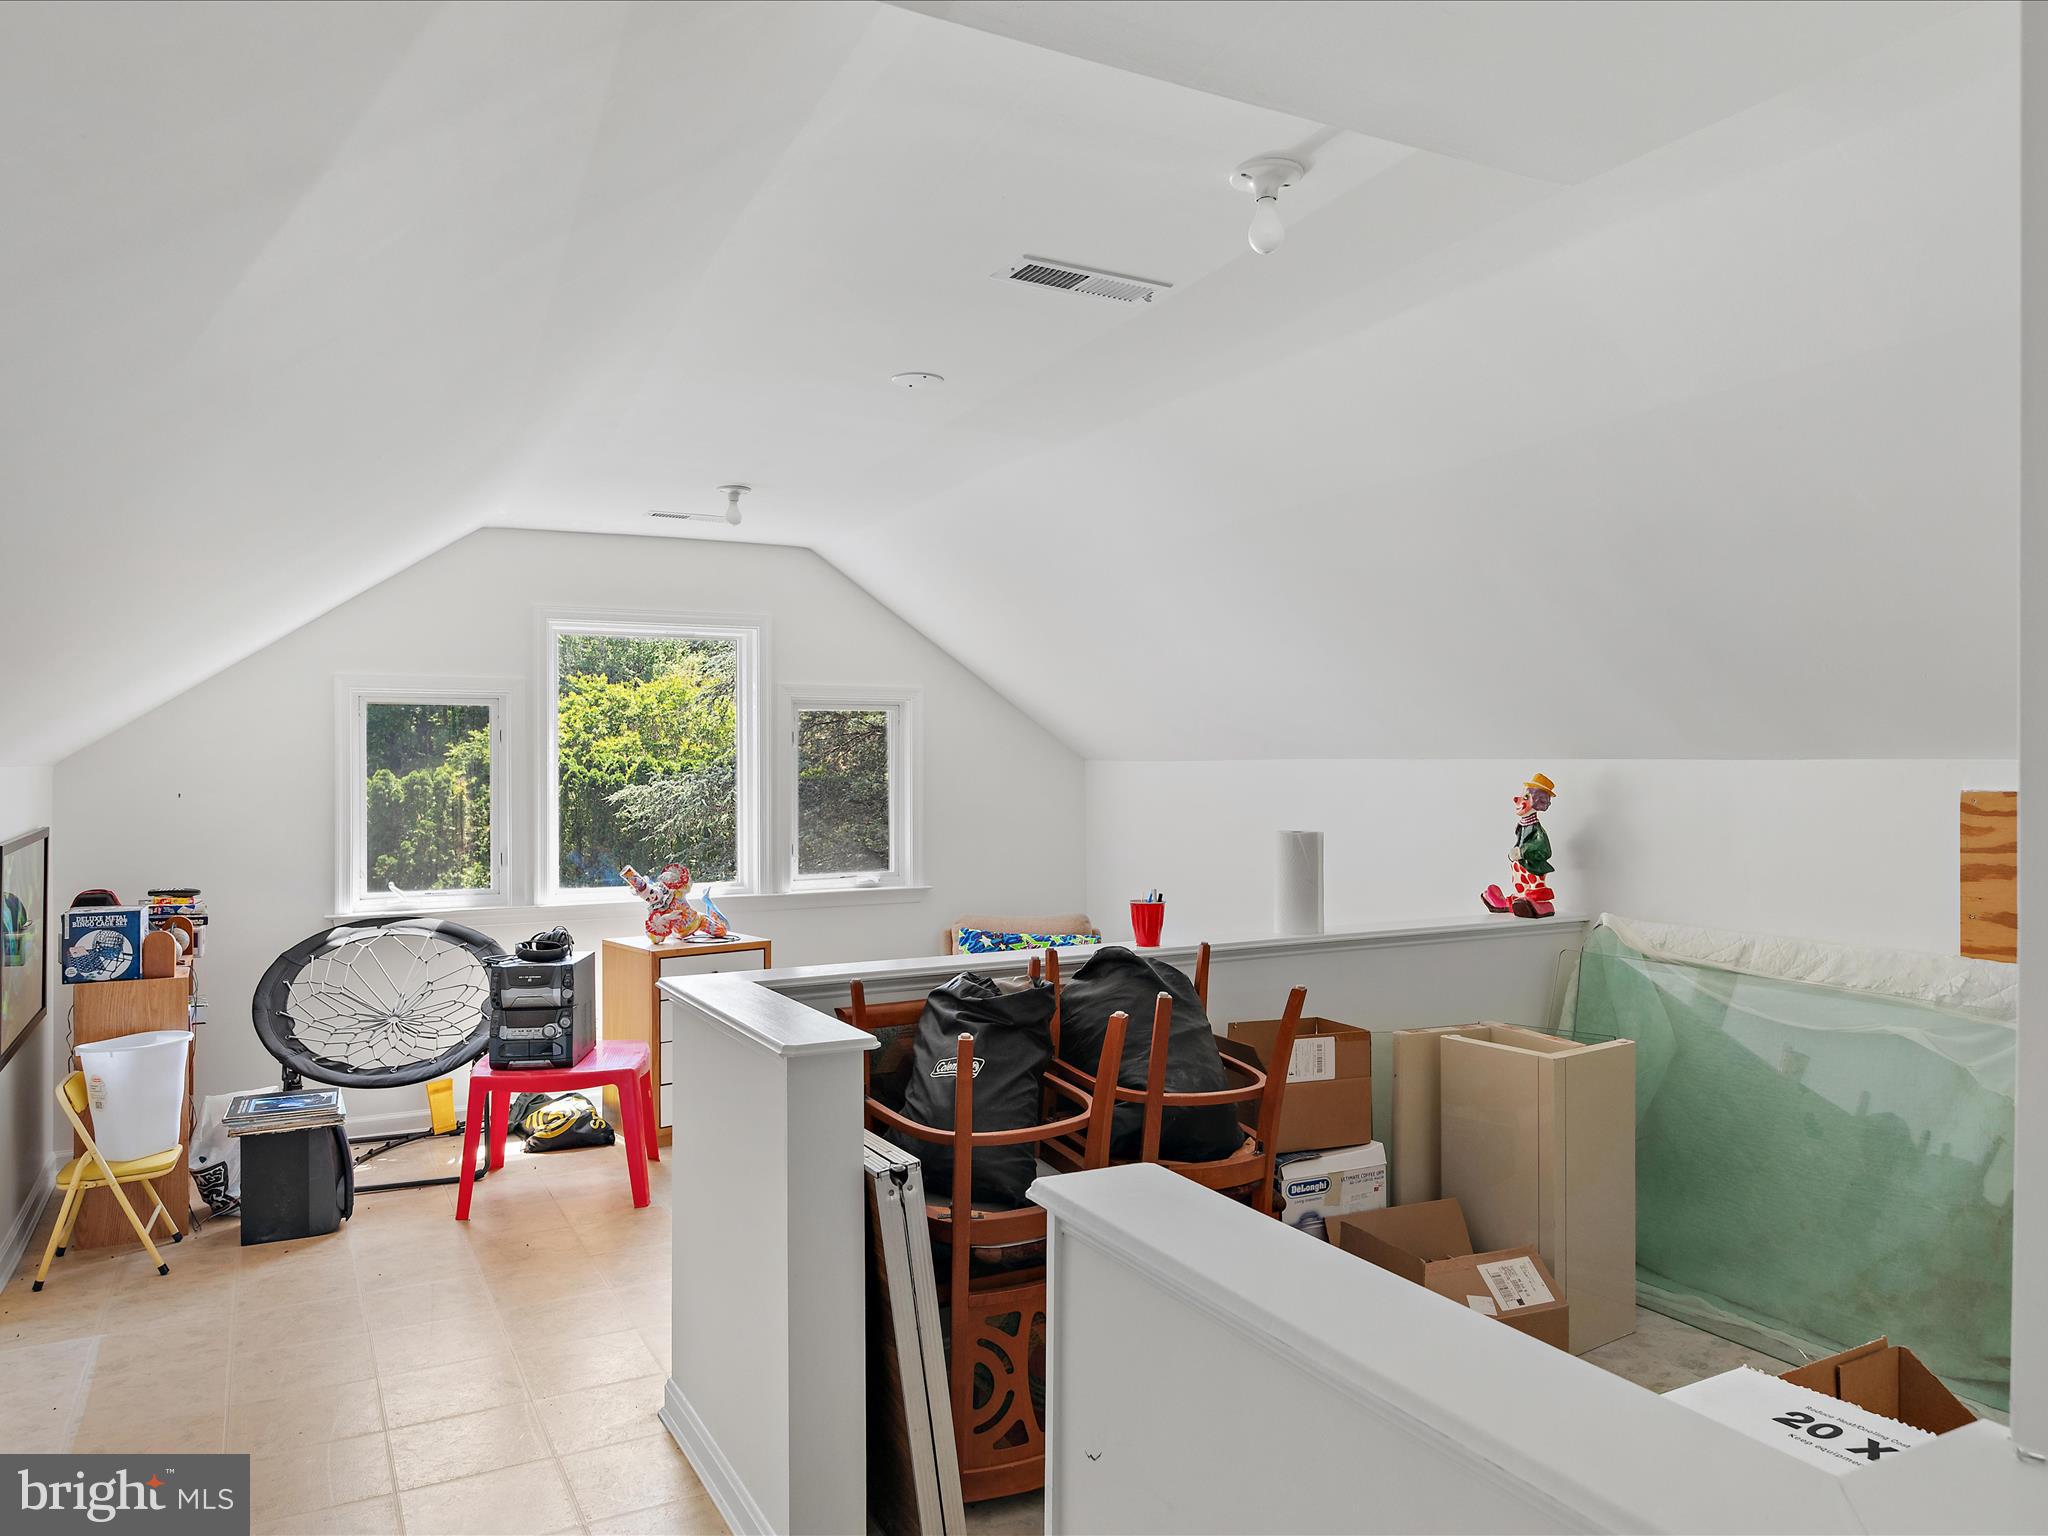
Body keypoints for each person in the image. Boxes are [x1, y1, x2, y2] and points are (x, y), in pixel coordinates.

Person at [1481, 773, 1558, 918]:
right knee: (1520, 884)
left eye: (1526, 797)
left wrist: (1522, 851)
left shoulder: (1537, 831)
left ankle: (1537, 904)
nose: (1517, 799)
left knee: (1535, 888)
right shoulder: (1522, 826)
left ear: (1538, 802)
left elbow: (1545, 850)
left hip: (1533, 868)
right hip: (1521, 870)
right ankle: (1515, 902)